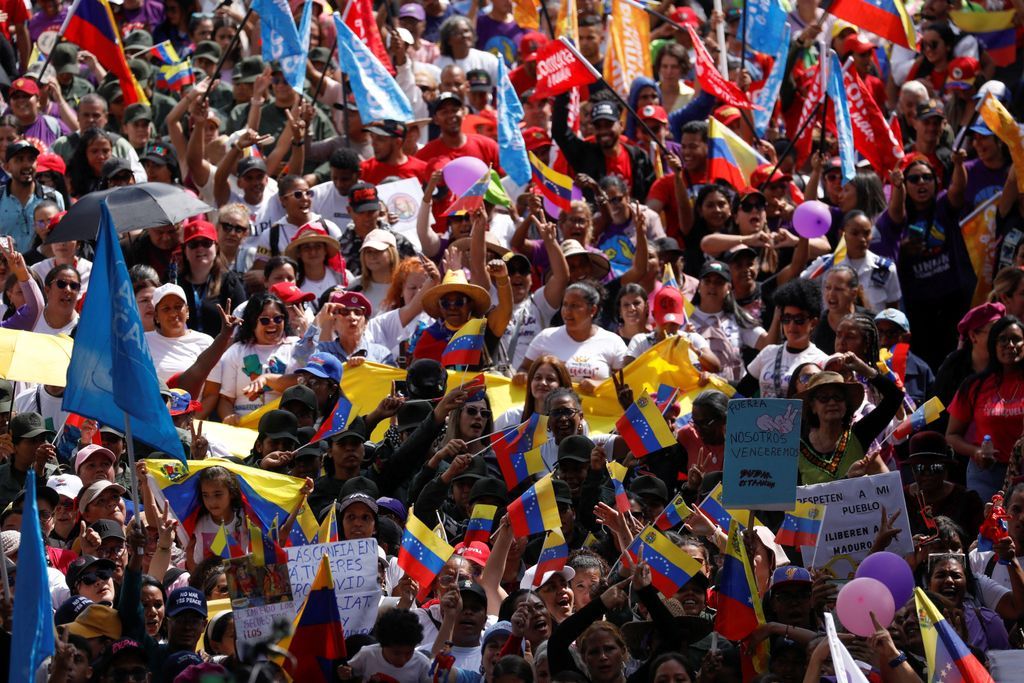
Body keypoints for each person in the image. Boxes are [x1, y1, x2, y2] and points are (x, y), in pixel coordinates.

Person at [947, 315, 1024, 501]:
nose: (1010, 345)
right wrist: (976, 452)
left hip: (1022, 471)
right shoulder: (975, 386)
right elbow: (952, 435)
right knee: (987, 520)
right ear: (993, 345)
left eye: (1016, 339)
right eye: (1003, 339)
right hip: (986, 474)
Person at [797, 353, 903, 484]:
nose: (832, 402)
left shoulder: (859, 435)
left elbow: (895, 396)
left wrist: (864, 369)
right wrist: (847, 478)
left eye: (838, 397)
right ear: (813, 406)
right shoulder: (797, 447)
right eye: (824, 398)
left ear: (846, 404)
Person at [520, 282, 627, 394]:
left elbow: (626, 381)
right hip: (551, 405)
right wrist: (522, 376)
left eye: (575, 306)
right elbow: (524, 369)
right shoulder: (545, 337)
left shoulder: (613, 342)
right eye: (565, 304)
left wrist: (600, 385)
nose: (567, 311)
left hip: (597, 406)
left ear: (592, 310)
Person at [740, 278, 829, 398]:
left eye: (799, 319)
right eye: (786, 319)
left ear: (813, 323)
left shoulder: (822, 361)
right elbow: (742, 391)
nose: (791, 326)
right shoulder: (768, 353)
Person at [145, 283, 214, 384]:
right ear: (156, 316)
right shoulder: (143, 342)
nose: (173, 313)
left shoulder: (206, 342)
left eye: (178, 307)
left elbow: (212, 389)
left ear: (187, 311)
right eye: (166, 309)